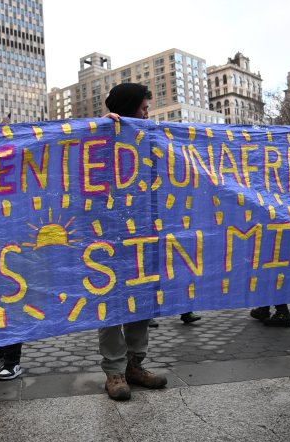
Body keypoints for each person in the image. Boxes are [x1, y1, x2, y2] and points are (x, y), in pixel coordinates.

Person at [99, 83, 167, 401]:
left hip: (144, 233)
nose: (147, 113)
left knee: (141, 299)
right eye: (142, 108)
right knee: (112, 304)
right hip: (107, 237)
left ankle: (134, 365)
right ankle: (114, 372)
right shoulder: (100, 136)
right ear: (127, 110)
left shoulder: (152, 137)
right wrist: (105, 127)